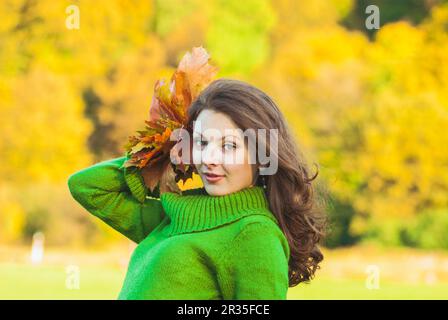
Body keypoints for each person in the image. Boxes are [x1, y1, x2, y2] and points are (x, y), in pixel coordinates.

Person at [67, 78, 327, 300]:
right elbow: (87, 187)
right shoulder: (175, 214)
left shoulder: (255, 234)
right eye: (202, 142)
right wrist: (161, 152)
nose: (209, 157)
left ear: (262, 153)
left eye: (229, 146)